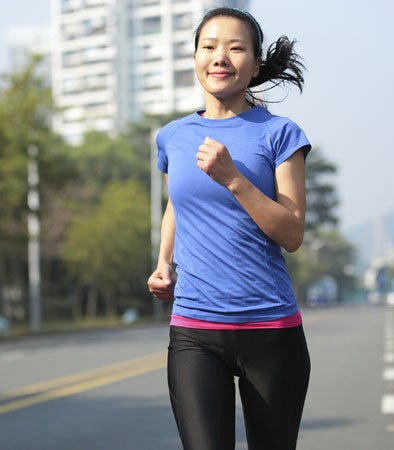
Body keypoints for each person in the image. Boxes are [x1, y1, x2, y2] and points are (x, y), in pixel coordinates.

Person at [147, 6, 311, 450]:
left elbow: (292, 233)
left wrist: (234, 179)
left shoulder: (280, 134)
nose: (220, 57)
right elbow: (176, 206)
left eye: (235, 48)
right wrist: (164, 262)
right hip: (195, 329)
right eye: (209, 46)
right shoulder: (173, 137)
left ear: (255, 65)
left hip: (270, 329)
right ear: (196, 58)